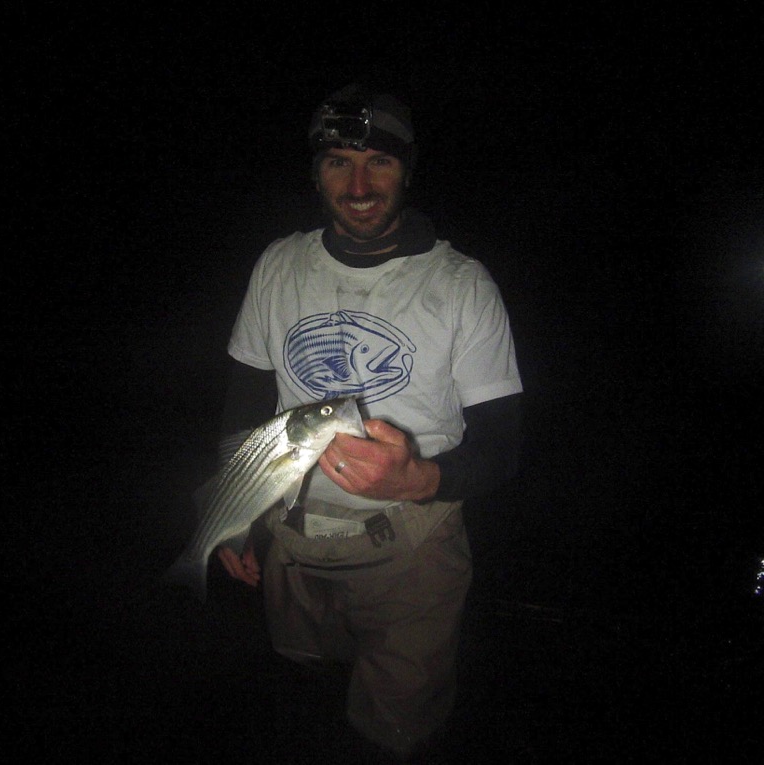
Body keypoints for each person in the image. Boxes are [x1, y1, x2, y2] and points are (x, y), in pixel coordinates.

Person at [215, 83, 524, 761]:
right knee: (302, 691)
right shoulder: (279, 264)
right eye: (337, 162)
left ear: (408, 168)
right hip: (291, 541)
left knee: (396, 730)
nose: (358, 184)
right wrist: (238, 516)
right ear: (315, 174)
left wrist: (423, 477)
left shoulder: (463, 284)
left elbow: (504, 446)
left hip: (415, 552)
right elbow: (244, 403)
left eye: (378, 161)